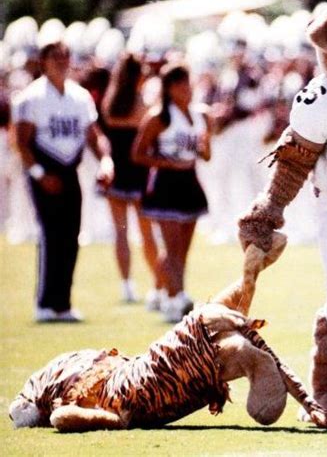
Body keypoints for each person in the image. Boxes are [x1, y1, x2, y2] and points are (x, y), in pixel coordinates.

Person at [12, 41, 114, 322]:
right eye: (54, 57)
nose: (61, 62)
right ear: (43, 61)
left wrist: (106, 161)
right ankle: (44, 302)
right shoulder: (31, 97)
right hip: (44, 170)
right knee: (50, 233)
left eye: (65, 56)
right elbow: (21, 141)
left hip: (69, 169)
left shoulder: (79, 97)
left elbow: (94, 136)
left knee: (71, 235)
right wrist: (39, 174)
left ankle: (63, 303)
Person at [133, 63, 211, 322]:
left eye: (188, 83)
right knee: (172, 245)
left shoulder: (199, 115)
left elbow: (206, 155)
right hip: (166, 183)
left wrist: (203, 145)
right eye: (180, 85)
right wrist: (169, 163)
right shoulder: (159, 117)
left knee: (182, 249)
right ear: (168, 88)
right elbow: (138, 154)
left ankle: (167, 292)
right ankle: (177, 298)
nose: (186, 89)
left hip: (189, 181)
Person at [101, 53, 164, 304]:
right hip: (138, 174)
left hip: (116, 173)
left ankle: (127, 285)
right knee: (147, 234)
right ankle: (158, 284)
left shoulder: (110, 102)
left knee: (121, 233)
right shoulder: (143, 105)